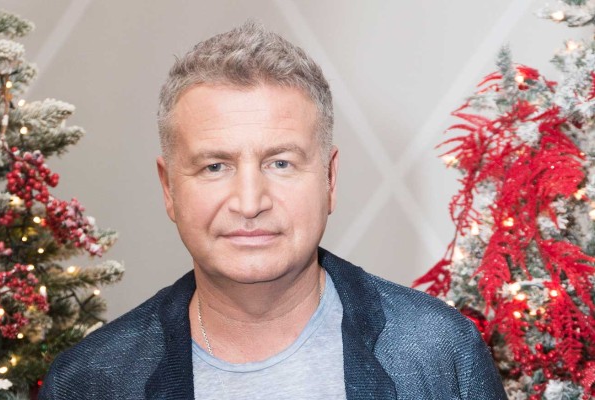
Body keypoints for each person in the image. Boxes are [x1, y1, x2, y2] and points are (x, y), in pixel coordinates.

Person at [39, 21, 507, 400]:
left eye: (280, 163)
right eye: (215, 166)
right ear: (168, 189)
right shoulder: (89, 381)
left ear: (329, 179)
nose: (249, 203)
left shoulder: (438, 351)